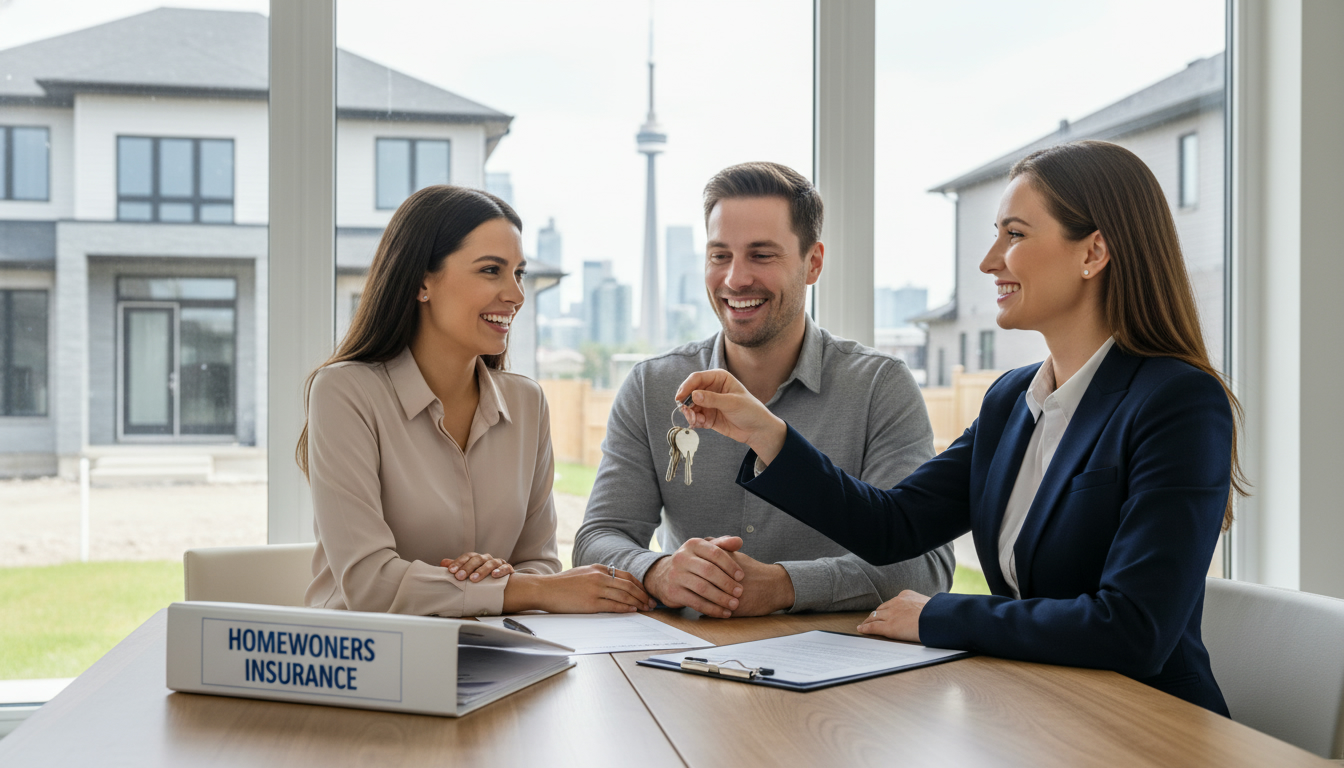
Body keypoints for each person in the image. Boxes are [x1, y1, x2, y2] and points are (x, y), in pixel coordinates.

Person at [674, 141, 1244, 714]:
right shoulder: (1009, 401)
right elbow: (890, 526)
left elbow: (1133, 628)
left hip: (1152, 726)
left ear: (1093, 251)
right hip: (1043, 714)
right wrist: (765, 433)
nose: (989, 259)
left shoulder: (1178, 403)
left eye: (1015, 235)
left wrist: (937, 614)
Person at [573, 162, 953, 619]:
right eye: (720, 255)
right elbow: (598, 538)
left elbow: (926, 566)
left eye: (761, 255)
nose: (735, 279)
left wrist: (783, 586)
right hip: (685, 661)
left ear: (813, 263)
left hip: (840, 668)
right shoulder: (651, 386)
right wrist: (659, 571)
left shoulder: (879, 387)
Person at [298, 185, 654, 617]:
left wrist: (504, 581)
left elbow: (538, 561)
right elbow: (370, 584)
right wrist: (512, 589)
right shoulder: (344, 393)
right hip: (366, 663)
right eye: (491, 270)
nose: (516, 295)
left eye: (518, 273)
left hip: (494, 655)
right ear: (421, 282)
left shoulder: (527, 403)